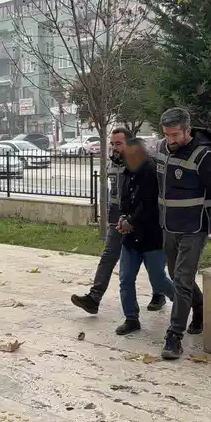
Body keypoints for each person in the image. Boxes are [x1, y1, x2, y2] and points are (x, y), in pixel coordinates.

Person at [154, 108, 211, 360]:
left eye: (175, 135)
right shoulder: (162, 148)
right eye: (166, 134)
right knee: (177, 277)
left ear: (188, 130)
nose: (170, 140)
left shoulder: (206, 156)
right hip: (169, 226)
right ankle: (199, 306)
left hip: (194, 228)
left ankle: (174, 336)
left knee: (182, 280)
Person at [71, 128, 166, 314]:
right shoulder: (112, 163)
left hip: (140, 220)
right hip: (117, 219)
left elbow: (148, 195)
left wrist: (134, 218)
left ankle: (160, 293)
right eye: (112, 144)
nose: (114, 148)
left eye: (119, 144)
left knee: (150, 260)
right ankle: (94, 297)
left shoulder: (140, 163)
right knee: (109, 256)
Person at [116, 138, 176, 335]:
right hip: (131, 238)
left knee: (158, 279)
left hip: (152, 236)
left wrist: (131, 221)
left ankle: (185, 305)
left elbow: (150, 205)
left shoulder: (152, 172)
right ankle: (131, 319)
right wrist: (123, 218)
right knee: (126, 279)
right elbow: (125, 200)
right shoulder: (127, 172)